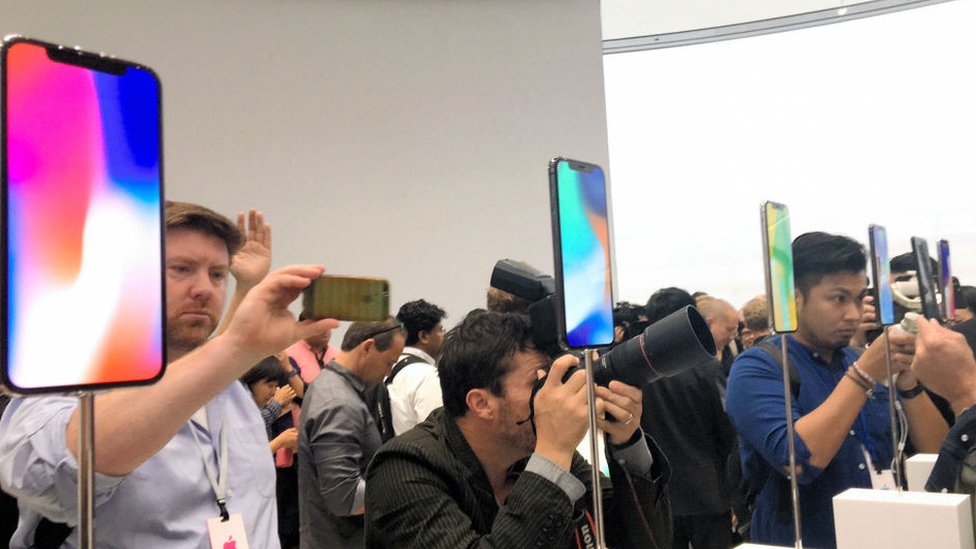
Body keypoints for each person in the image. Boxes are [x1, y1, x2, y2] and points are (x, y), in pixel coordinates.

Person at [0, 202, 337, 548]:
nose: (205, 288)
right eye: (181, 269)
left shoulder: (229, 390)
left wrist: (244, 290)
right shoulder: (71, 376)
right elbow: (52, 477)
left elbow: (200, 368)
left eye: (217, 274)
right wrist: (235, 347)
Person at [363, 310, 672, 548]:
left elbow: (643, 541)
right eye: (539, 382)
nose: (554, 395)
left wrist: (627, 442)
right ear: (481, 403)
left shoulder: (530, 453)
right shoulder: (403, 469)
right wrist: (552, 455)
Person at [726, 231, 947, 549]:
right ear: (796, 298)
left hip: (886, 532)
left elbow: (936, 453)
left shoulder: (859, 359)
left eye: (859, 299)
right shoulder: (757, 367)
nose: (854, 315)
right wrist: (862, 375)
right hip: (806, 538)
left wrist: (909, 383)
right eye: (838, 299)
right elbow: (800, 461)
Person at [298, 318, 406, 549]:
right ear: (367, 347)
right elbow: (344, 497)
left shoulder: (331, 386)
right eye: (389, 363)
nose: (388, 373)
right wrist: (406, 490)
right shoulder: (339, 403)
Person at [643, 288, 737, 549]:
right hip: (708, 493)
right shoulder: (707, 368)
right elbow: (727, 429)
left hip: (656, 494)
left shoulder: (634, 372)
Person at [388, 299, 448, 435]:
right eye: (440, 330)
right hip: (413, 454)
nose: (443, 335)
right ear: (424, 336)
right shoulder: (428, 376)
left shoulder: (388, 368)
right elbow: (435, 434)